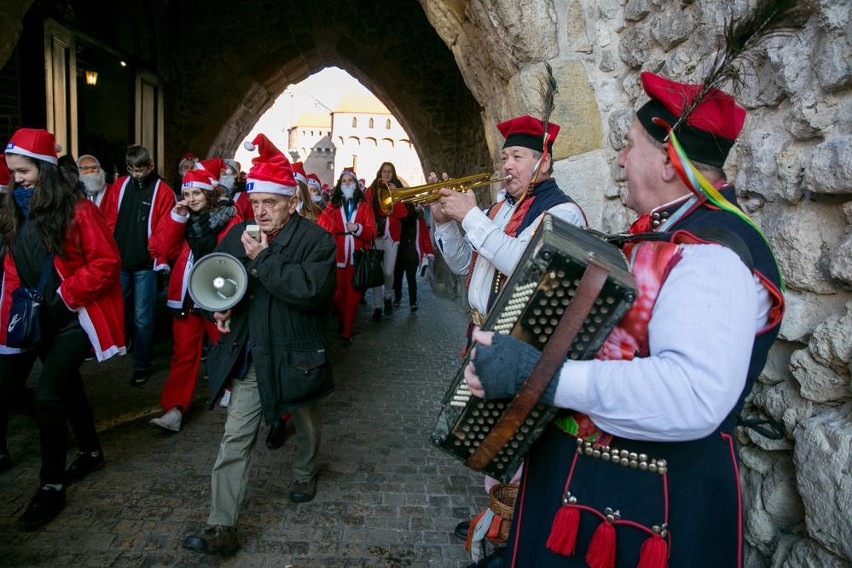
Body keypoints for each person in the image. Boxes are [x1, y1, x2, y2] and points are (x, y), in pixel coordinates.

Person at [463, 73, 786, 567]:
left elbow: (691, 392)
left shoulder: (713, 255)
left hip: (640, 511)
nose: (618, 158)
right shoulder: (666, 234)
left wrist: (538, 376)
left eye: (629, 145)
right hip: (595, 492)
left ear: (668, 158)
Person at [430, 114, 587, 564]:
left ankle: (511, 535)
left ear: (545, 160)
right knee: (490, 438)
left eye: (518, 156)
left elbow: (526, 264)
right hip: (484, 332)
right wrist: (445, 223)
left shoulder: (563, 212)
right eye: (505, 157)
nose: (508, 165)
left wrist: (472, 215)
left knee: (514, 440)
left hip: (523, 345)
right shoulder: (499, 209)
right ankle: (498, 517)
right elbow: (465, 265)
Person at [182, 133, 336, 554]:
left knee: (304, 420)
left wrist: (263, 259)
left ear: (291, 201)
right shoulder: (239, 234)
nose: (262, 211)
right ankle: (220, 524)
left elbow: (310, 292)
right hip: (254, 352)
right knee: (236, 437)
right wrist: (223, 306)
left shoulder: (316, 241)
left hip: (296, 351)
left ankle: (305, 471)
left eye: (271, 202)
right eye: (256, 202)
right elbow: (225, 279)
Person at [0, 128, 125, 528]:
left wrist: (66, 295)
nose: (16, 179)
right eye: (12, 172)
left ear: (44, 168)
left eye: (22, 171)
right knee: (60, 387)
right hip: (35, 319)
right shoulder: (15, 211)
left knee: (50, 396)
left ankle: (51, 487)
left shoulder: (80, 210)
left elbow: (106, 262)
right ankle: (90, 452)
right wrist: (18, 310)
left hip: (73, 320)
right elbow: (13, 265)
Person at [147, 167, 241, 432]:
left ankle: (234, 392)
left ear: (209, 193)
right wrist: (176, 217)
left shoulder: (229, 219)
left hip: (217, 296)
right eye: (186, 193)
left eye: (196, 192)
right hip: (187, 297)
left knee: (224, 347)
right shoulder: (183, 219)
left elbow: (235, 257)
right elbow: (163, 248)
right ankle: (174, 408)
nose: (191, 198)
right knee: (183, 354)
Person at [100, 145, 176, 386]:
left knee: (144, 317)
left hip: (145, 264)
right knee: (119, 307)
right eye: (132, 170)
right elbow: (109, 218)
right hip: (120, 261)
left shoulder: (163, 191)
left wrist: (156, 253)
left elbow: (165, 229)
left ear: (150, 166)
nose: (136, 175)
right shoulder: (119, 186)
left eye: (140, 170)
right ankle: (130, 343)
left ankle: (141, 364)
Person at [317, 168, 377, 344]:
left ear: (356, 184)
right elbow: (324, 227)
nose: (347, 184)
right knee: (336, 295)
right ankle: (344, 320)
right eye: (344, 181)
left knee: (353, 296)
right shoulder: (332, 206)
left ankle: (347, 331)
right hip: (337, 255)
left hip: (357, 257)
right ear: (340, 184)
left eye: (350, 181)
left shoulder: (364, 207)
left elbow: (372, 232)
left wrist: (357, 229)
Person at [364, 162, 408, 320]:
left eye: (390, 172)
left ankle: (388, 296)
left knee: (388, 272)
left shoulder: (396, 188)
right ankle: (377, 306)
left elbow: (402, 214)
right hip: (376, 236)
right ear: (380, 173)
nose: (387, 174)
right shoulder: (372, 190)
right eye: (384, 171)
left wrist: (395, 196)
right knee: (377, 272)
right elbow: (366, 209)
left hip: (392, 237)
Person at [393, 203, 434, 312]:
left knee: (411, 279)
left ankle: (412, 302)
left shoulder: (419, 220)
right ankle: (397, 298)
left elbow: (425, 236)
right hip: (399, 253)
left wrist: (429, 251)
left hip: (412, 254)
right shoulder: (397, 218)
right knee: (398, 278)